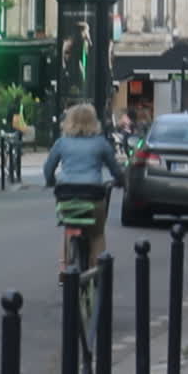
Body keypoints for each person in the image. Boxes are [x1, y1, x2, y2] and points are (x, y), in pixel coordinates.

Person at [44, 103, 124, 269]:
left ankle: (64, 269)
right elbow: (115, 169)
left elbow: (48, 168)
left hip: (65, 194)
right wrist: (120, 181)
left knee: (69, 227)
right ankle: (98, 272)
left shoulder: (61, 143)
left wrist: (50, 181)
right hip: (92, 194)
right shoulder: (101, 143)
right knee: (97, 233)